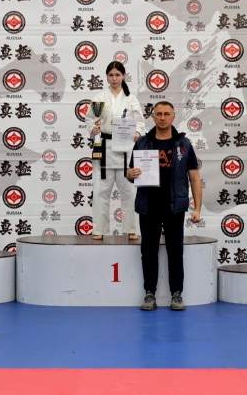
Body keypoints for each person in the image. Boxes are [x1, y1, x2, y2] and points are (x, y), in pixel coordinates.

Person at [126, 101, 201, 311]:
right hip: (148, 205)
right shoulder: (142, 143)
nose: (162, 117)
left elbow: (195, 177)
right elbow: (131, 174)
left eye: (167, 114)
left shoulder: (184, 144)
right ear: (153, 117)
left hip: (174, 206)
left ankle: (177, 294)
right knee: (148, 251)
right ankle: (149, 293)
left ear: (173, 116)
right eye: (158, 114)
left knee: (175, 251)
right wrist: (129, 174)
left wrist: (197, 208)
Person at [85, 61, 145, 240]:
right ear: (107, 77)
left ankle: (131, 228)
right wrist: (93, 128)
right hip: (104, 147)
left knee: (129, 191)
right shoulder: (99, 97)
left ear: (124, 76)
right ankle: (99, 229)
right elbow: (90, 118)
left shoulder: (131, 99)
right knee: (100, 191)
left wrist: (137, 132)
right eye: (111, 75)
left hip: (126, 148)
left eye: (117, 75)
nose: (114, 78)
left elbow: (139, 121)